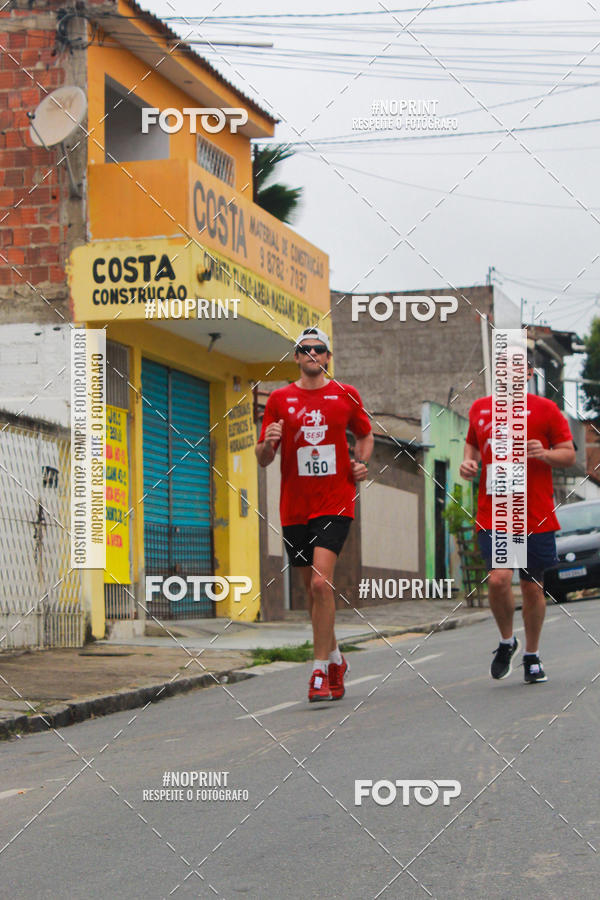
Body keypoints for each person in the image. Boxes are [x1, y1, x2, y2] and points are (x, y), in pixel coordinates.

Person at [256, 327, 373, 702]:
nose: (311, 354)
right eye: (304, 349)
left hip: (335, 501)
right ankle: (336, 658)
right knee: (311, 590)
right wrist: (268, 443)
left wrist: (360, 462)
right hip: (294, 507)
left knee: (322, 584)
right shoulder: (279, 399)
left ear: (327, 357)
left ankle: (319, 670)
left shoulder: (345, 394)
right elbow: (263, 458)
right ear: (296, 356)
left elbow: (365, 434)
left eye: (318, 349)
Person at [460, 353, 575, 684]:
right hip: (494, 513)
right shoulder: (480, 408)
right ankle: (507, 641)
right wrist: (468, 463)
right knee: (498, 579)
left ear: (528, 373)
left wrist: (545, 453)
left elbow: (569, 454)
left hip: (534, 514)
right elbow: (472, 446)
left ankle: (532, 655)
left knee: (531, 587)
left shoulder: (546, 409)